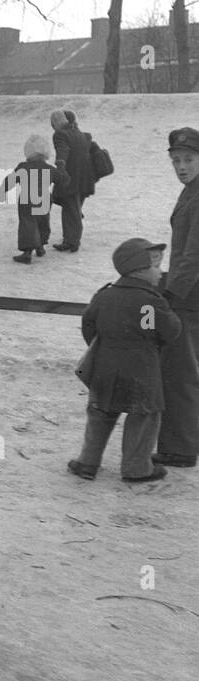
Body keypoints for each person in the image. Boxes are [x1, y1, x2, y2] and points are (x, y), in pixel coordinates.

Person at [68, 239, 179, 483]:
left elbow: (89, 324)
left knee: (100, 413)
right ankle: (137, 468)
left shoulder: (104, 295)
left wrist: (103, 346)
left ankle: (87, 463)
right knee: (144, 415)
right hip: (142, 369)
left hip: (105, 366)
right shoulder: (149, 302)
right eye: (156, 268)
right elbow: (167, 331)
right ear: (139, 271)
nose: (161, 273)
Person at [154, 126, 199, 468]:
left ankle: (179, 449)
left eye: (188, 159)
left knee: (180, 373)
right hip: (189, 291)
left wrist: (170, 295)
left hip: (189, 296)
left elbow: (193, 254)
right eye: (176, 160)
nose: (181, 166)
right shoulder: (191, 192)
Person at [1, 132, 66, 264]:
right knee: (42, 222)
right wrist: (61, 168)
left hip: (27, 198)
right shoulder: (50, 169)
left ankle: (27, 253)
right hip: (45, 199)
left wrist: (3, 190)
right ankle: (40, 246)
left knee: (28, 223)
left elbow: (11, 181)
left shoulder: (23, 167)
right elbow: (63, 180)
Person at [49, 109, 96, 253]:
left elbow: (62, 150)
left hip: (71, 178)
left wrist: (60, 166)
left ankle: (72, 241)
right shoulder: (80, 134)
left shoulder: (60, 134)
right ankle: (70, 238)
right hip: (85, 178)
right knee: (73, 208)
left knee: (70, 209)